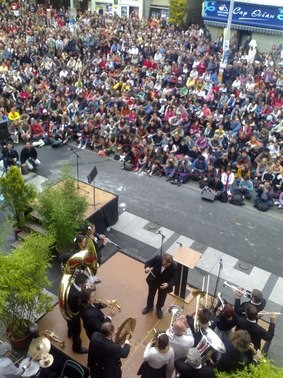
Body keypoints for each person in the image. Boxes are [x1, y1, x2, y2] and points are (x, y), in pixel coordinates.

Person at [142, 254, 177, 319]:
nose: (164, 265)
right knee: (151, 294)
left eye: (167, 265)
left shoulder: (174, 267)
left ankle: (159, 309)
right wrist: (147, 267)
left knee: (162, 297)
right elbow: (148, 263)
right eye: (163, 264)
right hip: (154, 280)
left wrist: (168, 284)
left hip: (164, 283)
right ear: (162, 259)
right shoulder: (158, 258)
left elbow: (174, 279)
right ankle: (149, 306)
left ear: (170, 263)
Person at [66, 273, 89, 354]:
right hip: (74, 315)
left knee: (69, 324)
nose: (87, 284)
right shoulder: (76, 295)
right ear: (80, 284)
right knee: (77, 331)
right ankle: (77, 347)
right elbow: (80, 306)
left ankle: (69, 332)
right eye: (85, 283)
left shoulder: (71, 286)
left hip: (68, 311)